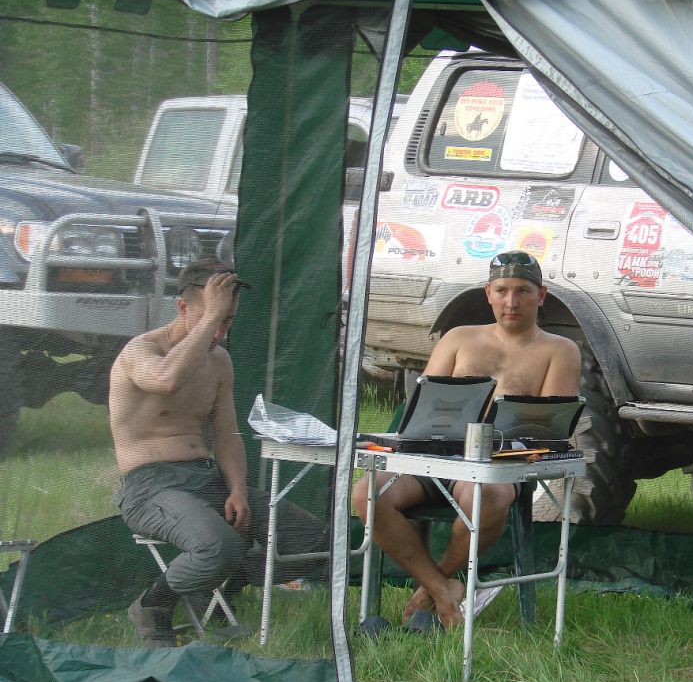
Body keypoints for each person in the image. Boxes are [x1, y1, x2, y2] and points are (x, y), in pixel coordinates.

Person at [352, 250, 582, 631]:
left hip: (496, 467)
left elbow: (548, 431)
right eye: (502, 291)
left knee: (484, 496)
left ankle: (432, 588)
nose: (511, 302)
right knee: (366, 494)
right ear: (488, 293)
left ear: (541, 296)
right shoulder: (458, 339)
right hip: (435, 457)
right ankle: (444, 591)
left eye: (523, 291)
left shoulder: (559, 351)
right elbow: (424, 405)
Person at [110, 260, 329, 647]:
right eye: (213, 318)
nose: (220, 332)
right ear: (183, 308)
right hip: (151, 487)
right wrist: (212, 316)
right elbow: (165, 379)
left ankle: (217, 585)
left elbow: (227, 435)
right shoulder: (140, 351)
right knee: (219, 546)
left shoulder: (219, 361)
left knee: (314, 543)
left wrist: (238, 490)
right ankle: (153, 605)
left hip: (208, 478)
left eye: (228, 321)